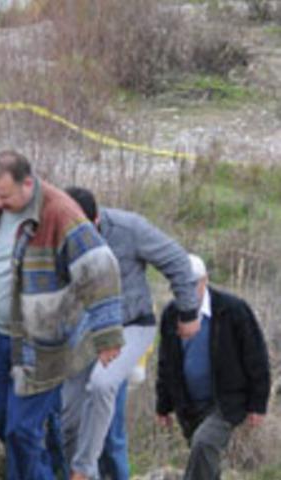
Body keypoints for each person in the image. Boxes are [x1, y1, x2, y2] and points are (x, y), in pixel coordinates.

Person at [0, 151, 124, 480]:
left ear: (27, 183)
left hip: (42, 345)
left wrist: (107, 335)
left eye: (4, 195)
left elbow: (101, 269)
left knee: (22, 430)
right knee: (3, 422)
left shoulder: (60, 213)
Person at [61, 187, 199, 480]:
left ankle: (83, 470)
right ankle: (84, 472)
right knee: (69, 419)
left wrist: (188, 312)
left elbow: (176, 258)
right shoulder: (55, 234)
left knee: (101, 385)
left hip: (131, 325)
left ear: (96, 220)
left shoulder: (128, 228)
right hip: (84, 332)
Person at [156, 254, 271, 480]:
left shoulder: (232, 310)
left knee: (204, 444)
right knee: (207, 462)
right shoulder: (171, 315)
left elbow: (256, 357)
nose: (186, 290)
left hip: (227, 401)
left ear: (205, 280)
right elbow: (166, 363)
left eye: (192, 284)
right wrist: (163, 405)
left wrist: (258, 404)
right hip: (189, 403)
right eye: (180, 285)